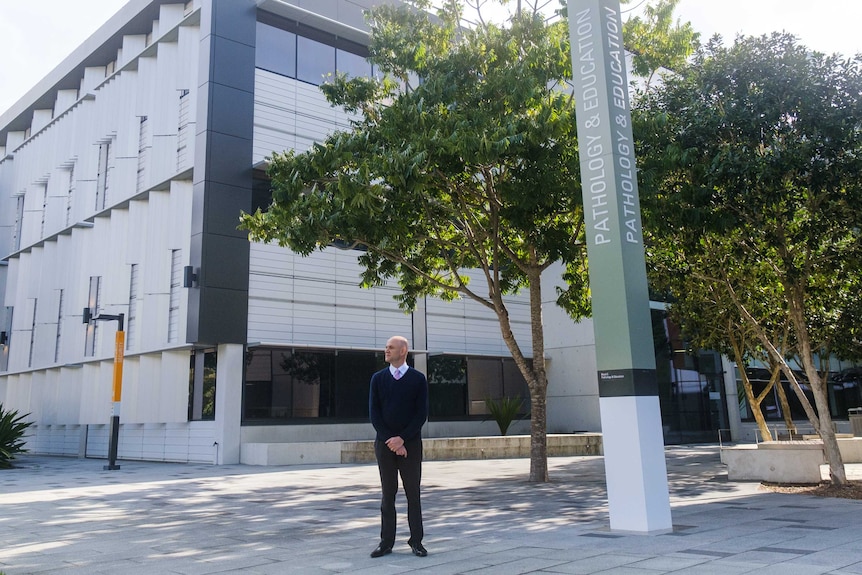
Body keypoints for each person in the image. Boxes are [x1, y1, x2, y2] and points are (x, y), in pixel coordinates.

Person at [368, 335, 429, 558]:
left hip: (410, 445)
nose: (387, 351)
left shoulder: (417, 379)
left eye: (391, 348)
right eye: (386, 347)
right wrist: (392, 442)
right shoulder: (377, 379)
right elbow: (374, 415)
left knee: (413, 493)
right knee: (388, 494)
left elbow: (421, 414)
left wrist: (402, 439)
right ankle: (386, 542)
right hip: (385, 446)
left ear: (403, 351)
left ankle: (417, 541)